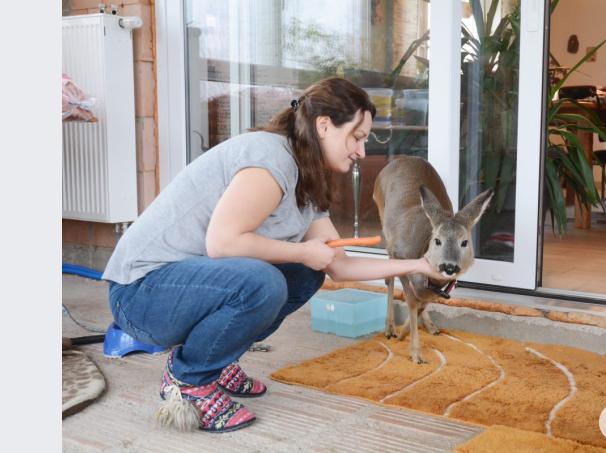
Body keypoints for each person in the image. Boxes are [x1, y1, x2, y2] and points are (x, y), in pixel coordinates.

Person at [102, 77, 443, 433]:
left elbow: (339, 265)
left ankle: (217, 359)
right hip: (141, 295)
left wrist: (421, 265)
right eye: (356, 137)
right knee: (264, 282)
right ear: (324, 126)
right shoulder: (271, 158)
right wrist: (301, 251)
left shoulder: (307, 175)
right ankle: (189, 380)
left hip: (182, 288)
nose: (361, 151)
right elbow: (223, 243)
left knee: (306, 274)